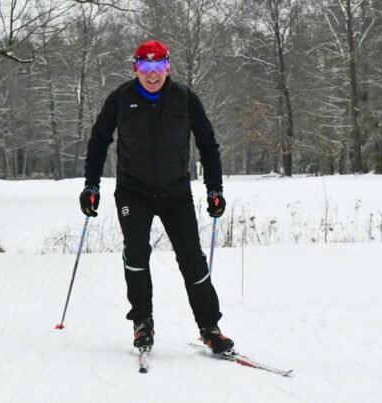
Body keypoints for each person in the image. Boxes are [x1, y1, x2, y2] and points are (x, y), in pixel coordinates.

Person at [79, 39, 234, 354]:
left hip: (175, 191)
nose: (153, 74)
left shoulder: (185, 100)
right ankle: (142, 322)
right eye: (146, 67)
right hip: (133, 191)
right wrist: (91, 185)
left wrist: (214, 189)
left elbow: (208, 144)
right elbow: (98, 141)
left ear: (168, 67)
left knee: (191, 257)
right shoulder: (120, 99)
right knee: (136, 252)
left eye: (159, 66)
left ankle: (210, 328)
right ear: (135, 67)